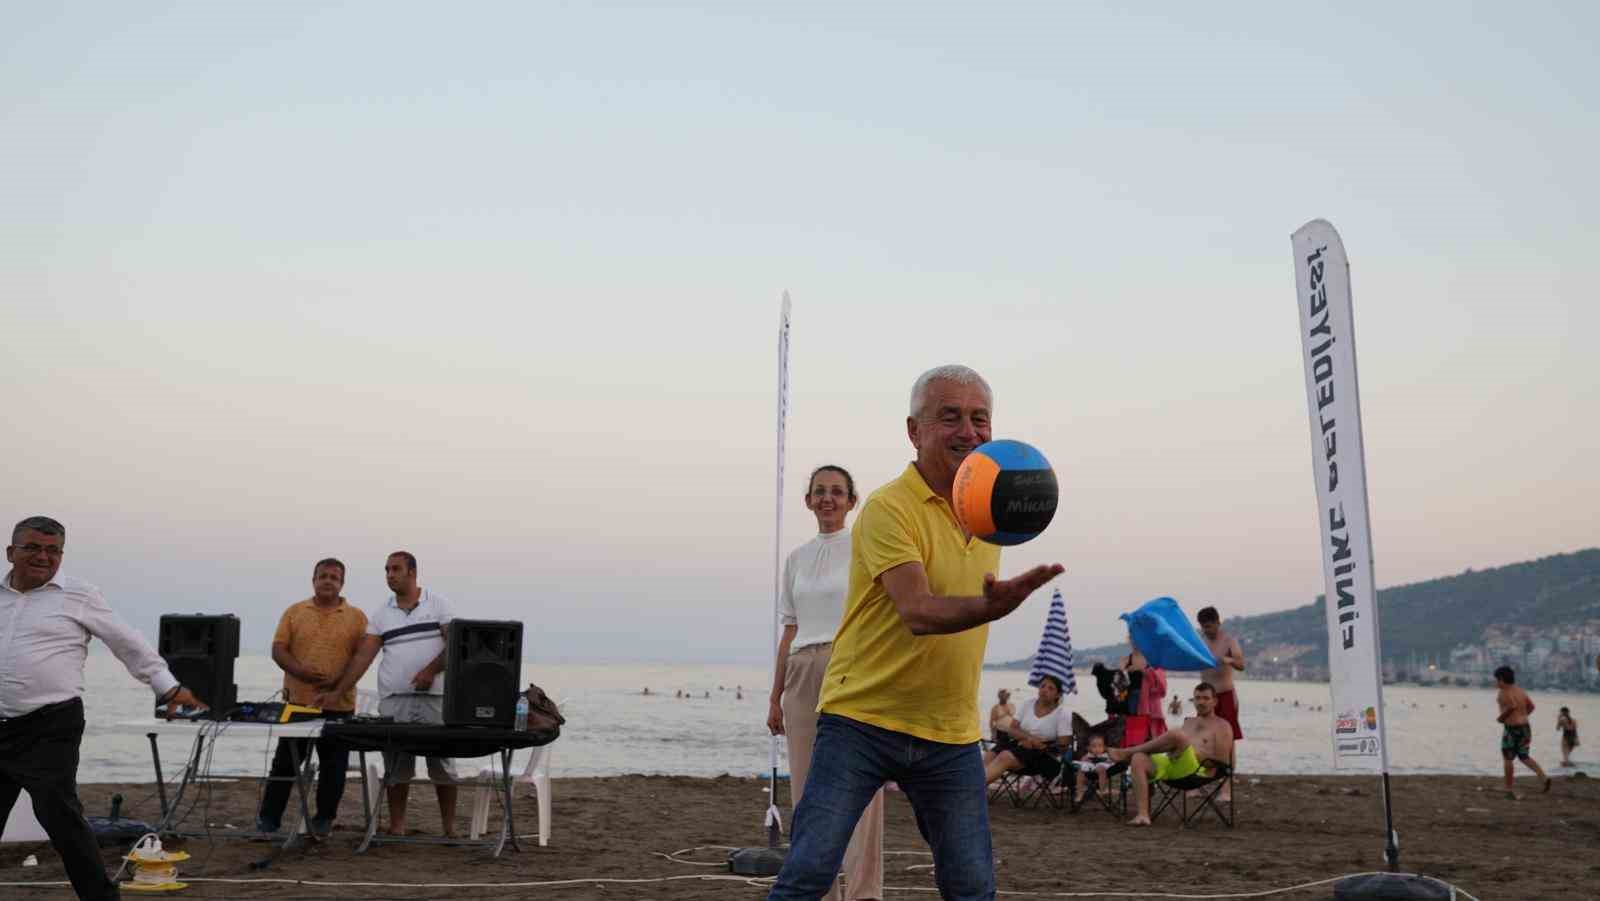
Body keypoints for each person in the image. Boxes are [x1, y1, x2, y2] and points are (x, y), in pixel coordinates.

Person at [767, 364, 1064, 901]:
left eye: (980, 419)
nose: (969, 432)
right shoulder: (887, 507)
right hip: (861, 719)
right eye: (949, 417)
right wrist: (992, 607)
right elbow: (919, 611)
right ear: (914, 430)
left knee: (971, 884)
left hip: (948, 732)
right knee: (808, 872)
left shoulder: (990, 511)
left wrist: (989, 605)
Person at [1, 516, 205, 900]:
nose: (43, 557)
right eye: (32, 547)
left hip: (49, 726)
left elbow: (126, 642)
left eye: (53, 550)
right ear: (11, 552)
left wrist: (166, 686)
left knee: (60, 818)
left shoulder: (79, 594)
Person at [766, 464, 884, 901]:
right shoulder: (795, 559)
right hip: (801, 669)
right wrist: (775, 697)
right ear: (809, 500)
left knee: (862, 790)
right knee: (807, 789)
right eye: (819, 491)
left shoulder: (864, 546)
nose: (827, 498)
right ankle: (822, 893)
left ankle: (864, 892)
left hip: (850, 666)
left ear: (853, 501)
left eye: (837, 491)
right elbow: (790, 630)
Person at [321, 551, 459, 837]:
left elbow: (456, 646)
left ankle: (449, 828)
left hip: (436, 699)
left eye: (396, 569)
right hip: (395, 701)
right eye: (386, 570)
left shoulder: (439, 604)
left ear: (412, 572)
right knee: (397, 766)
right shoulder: (382, 614)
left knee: (442, 765)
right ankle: (397, 827)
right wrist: (338, 692)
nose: (390, 575)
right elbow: (362, 658)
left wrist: (430, 671)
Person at [255, 558, 367, 836]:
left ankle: (323, 820)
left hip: (339, 704)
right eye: (323, 576)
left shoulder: (357, 617)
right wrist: (301, 672)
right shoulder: (294, 612)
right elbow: (278, 650)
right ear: (313, 579)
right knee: (285, 763)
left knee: (334, 767)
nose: (328, 581)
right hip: (298, 703)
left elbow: (361, 658)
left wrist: (337, 684)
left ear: (342, 583)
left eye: (334, 577)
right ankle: (269, 820)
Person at [1108, 681, 1234, 827]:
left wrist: (1196, 754)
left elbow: (1222, 761)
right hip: (1174, 766)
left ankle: (1127, 752)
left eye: (1206, 698)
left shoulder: (1222, 726)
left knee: (1177, 735)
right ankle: (1143, 815)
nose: (1201, 702)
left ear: (1215, 701)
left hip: (1197, 771)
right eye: (1198, 698)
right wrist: (1176, 750)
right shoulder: (1189, 722)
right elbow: (1175, 744)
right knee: (1139, 758)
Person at [983, 674, 1069, 787]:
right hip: (1019, 744)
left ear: (1058, 694)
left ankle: (971, 790)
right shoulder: (1028, 703)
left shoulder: (1062, 713)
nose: (1044, 690)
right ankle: (972, 789)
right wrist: (1029, 738)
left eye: (1050, 688)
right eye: (1042, 686)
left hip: (1044, 755)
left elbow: (1064, 744)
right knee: (989, 755)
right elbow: (1012, 729)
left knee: (1005, 756)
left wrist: (1037, 744)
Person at [1197, 606, 1245, 799]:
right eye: (1203, 627)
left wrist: (1228, 659)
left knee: (1228, 740)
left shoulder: (1229, 640)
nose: (1207, 630)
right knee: (1202, 738)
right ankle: (1199, 781)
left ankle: (1227, 785)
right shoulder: (1200, 642)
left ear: (1218, 622)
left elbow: (1241, 665)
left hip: (1225, 695)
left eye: (1209, 626)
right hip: (1205, 696)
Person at [1492, 666, 1550, 797]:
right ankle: (1544, 778)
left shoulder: (1504, 691)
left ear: (1501, 679)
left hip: (1512, 729)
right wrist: (1522, 716)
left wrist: (1502, 718)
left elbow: (1512, 705)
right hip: (1525, 727)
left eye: (1496, 680)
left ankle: (1507, 787)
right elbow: (1531, 706)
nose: (1495, 682)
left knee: (1508, 757)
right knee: (1524, 756)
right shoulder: (1520, 690)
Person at [1072, 731, 1114, 805]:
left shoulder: (1106, 755)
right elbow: (1082, 760)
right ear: (1089, 748)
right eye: (1094, 746)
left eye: (1100, 746)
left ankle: (1102, 790)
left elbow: (1111, 762)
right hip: (1090, 770)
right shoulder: (1088, 755)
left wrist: (1108, 761)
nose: (1097, 748)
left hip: (1102, 768)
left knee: (1101, 768)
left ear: (1104, 747)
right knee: (1080, 770)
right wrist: (1084, 759)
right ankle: (1080, 792)